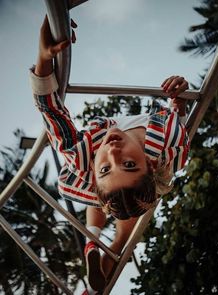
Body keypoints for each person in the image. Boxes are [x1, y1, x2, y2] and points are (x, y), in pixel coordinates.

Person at [30, 16, 190, 294]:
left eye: (107, 167)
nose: (114, 153)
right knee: (122, 237)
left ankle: (92, 243)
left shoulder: (83, 157)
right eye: (128, 164)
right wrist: (179, 99)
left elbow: (51, 111)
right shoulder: (167, 145)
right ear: (149, 164)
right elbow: (177, 118)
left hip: (86, 179)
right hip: (128, 188)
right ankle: (94, 259)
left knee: (109, 194)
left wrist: (44, 59)